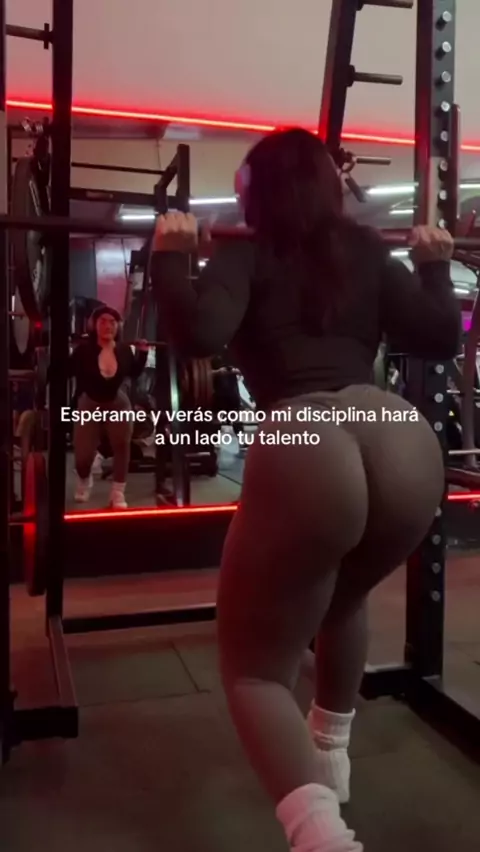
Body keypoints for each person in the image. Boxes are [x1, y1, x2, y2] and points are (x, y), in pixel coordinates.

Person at [150, 128, 460, 851]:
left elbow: (199, 333)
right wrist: (436, 267)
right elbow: (440, 335)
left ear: (255, 196)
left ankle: (321, 836)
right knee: (340, 598)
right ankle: (330, 757)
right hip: (398, 436)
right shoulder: (367, 251)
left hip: (305, 437)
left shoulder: (245, 250)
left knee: (255, 673)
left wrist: (169, 257)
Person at [69, 305, 148, 509]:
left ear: (117, 326)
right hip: (89, 402)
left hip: (116, 402)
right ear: (94, 325)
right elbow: (65, 371)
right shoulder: (83, 351)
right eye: (102, 321)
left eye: (112, 322)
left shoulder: (123, 350)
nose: (107, 326)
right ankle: (84, 479)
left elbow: (134, 373)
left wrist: (142, 354)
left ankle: (117, 492)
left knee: (122, 446)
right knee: (83, 456)